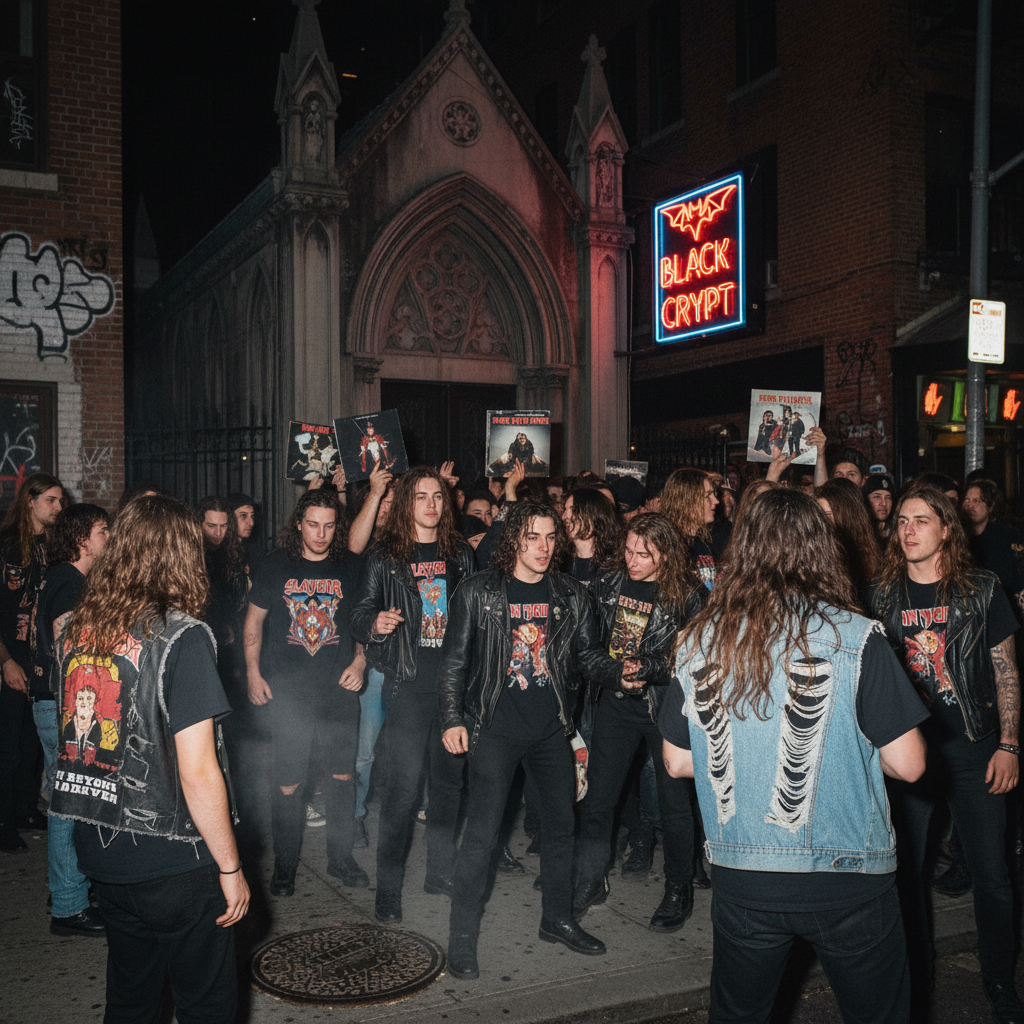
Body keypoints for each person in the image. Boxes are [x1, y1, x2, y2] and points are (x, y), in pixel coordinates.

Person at [662, 488, 928, 1023]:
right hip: (846, 876)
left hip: (744, 876)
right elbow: (910, 764)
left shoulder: (697, 640)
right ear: (821, 549)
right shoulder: (856, 637)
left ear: (745, 549)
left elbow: (677, 761)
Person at [48, 495, 249, 1022]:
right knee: (207, 1005)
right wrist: (230, 866)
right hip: (174, 858)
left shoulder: (75, 629)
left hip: (103, 851)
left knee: (132, 1001)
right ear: (183, 555)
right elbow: (199, 770)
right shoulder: (181, 636)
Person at [438, 500, 633, 979]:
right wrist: (450, 717)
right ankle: (461, 937)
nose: (544, 547)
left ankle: (557, 919)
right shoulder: (479, 593)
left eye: (550, 537)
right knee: (482, 835)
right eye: (533, 538)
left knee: (561, 828)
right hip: (495, 729)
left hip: (551, 731)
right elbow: (455, 664)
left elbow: (588, 657)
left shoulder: (570, 594)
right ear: (513, 541)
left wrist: (619, 674)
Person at [868, 485, 1024, 1023]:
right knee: (905, 876)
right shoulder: (881, 594)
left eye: (921, 520)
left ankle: (999, 980)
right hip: (908, 755)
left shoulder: (981, 589)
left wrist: (1008, 744)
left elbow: (1006, 671)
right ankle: (917, 976)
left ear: (945, 530)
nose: (907, 529)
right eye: (902, 520)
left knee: (992, 875)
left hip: (975, 750)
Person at [349, 466, 476, 923]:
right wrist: (373, 623)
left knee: (448, 786)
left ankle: (439, 871)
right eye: (421, 496)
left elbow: (478, 614)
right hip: (406, 686)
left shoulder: (460, 553)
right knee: (402, 792)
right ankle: (388, 890)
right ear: (407, 503)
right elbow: (358, 612)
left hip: (452, 689)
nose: (430, 504)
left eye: (437, 496)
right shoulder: (386, 556)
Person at [574, 513, 707, 932]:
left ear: (664, 554)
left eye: (643, 554)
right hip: (616, 703)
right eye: (629, 550)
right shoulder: (606, 586)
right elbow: (586, 646)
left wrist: (648, 666)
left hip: (664, 706)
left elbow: (695, 656)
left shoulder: (688, 595)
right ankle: (592, 879)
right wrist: (614, 673)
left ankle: (678, 888)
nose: (632, 560)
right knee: (597, 800)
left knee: (673, 805)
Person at [245, 488, 369, 896]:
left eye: (330, 526)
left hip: (337, 690)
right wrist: (252, 672)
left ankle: (341, 858)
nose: (321, 533)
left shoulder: (352, 565)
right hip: (288, 693)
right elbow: (254, 623)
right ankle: (284, 865)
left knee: (342, 776)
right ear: (298, 523)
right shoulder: (276, 565)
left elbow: (363, 622)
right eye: (313, 524)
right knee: (287, 783)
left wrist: (359, 662)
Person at [35, 503, 110, 935]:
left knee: (68, 801)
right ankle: (68, 907)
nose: (108, 538)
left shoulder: (68, 580)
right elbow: (70, 654)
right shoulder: (68, 583)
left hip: (56, 705)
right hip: (63, 707)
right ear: (82, 538)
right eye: (102, 531)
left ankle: (64, 889)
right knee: (69, 805)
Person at [0, 471, 63, 853]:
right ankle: (4, 820)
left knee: (33, 741)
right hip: (11, 654)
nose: (58, 507)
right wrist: (6, 661)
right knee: (8, 744)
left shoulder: (53, 546)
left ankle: (25, 809)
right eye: (51, 501)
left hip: (42, 657)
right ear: (30, 501)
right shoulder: (8, 546)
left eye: (60, 501)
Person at [561, 486, 623, 590]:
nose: (564, 516)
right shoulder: (560, 563)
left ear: (594, 515)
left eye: (573, 509)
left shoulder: (615, 567)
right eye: (565, 509)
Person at [864, 473, 895, 543]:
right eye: (877, 497)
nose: (884, 503)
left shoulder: (897, 531)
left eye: (888, 498)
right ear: (866, 500)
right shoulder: (859, 532)